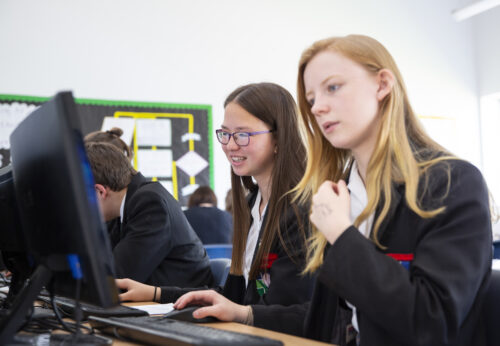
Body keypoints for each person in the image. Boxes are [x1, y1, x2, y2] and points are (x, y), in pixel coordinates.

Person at [173, 35, 493, 345]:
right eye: (312, 99)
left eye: (333, 88)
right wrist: (240, 314)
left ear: (382, 85)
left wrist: (340, 232)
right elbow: (325, 323)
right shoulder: (339, 190)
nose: (317, 108)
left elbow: (429, 324)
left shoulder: (452, 183)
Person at [117, 82, 315, 310]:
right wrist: (156, 293)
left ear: (279, 139)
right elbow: (235, 297)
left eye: (242, 134)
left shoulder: (301, 210)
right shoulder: (253, 203)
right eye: (225, 134)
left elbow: (290, 312)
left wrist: (241, 315)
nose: (230, 145)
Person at [85, 141, 214, 288]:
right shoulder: (121, 207)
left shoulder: (150, 202)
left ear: (100, 192)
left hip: (186, 306)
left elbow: (114, 276)